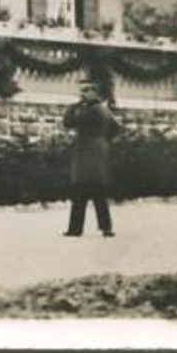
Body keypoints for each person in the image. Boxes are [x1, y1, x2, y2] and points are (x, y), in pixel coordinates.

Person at [63, 80, 122, 237]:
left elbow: (69, 122)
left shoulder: (91, 110)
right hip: (98, 154)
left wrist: (74, 106)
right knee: (99, 194)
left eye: (86, 90)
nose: (82, 93)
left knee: (80, 192)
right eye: (82, 90)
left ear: (94, 93)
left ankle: (75, 228)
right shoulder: (103, 110)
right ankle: (106, 227)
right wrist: (103, 140)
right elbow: (116, 128)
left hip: (85, 154)